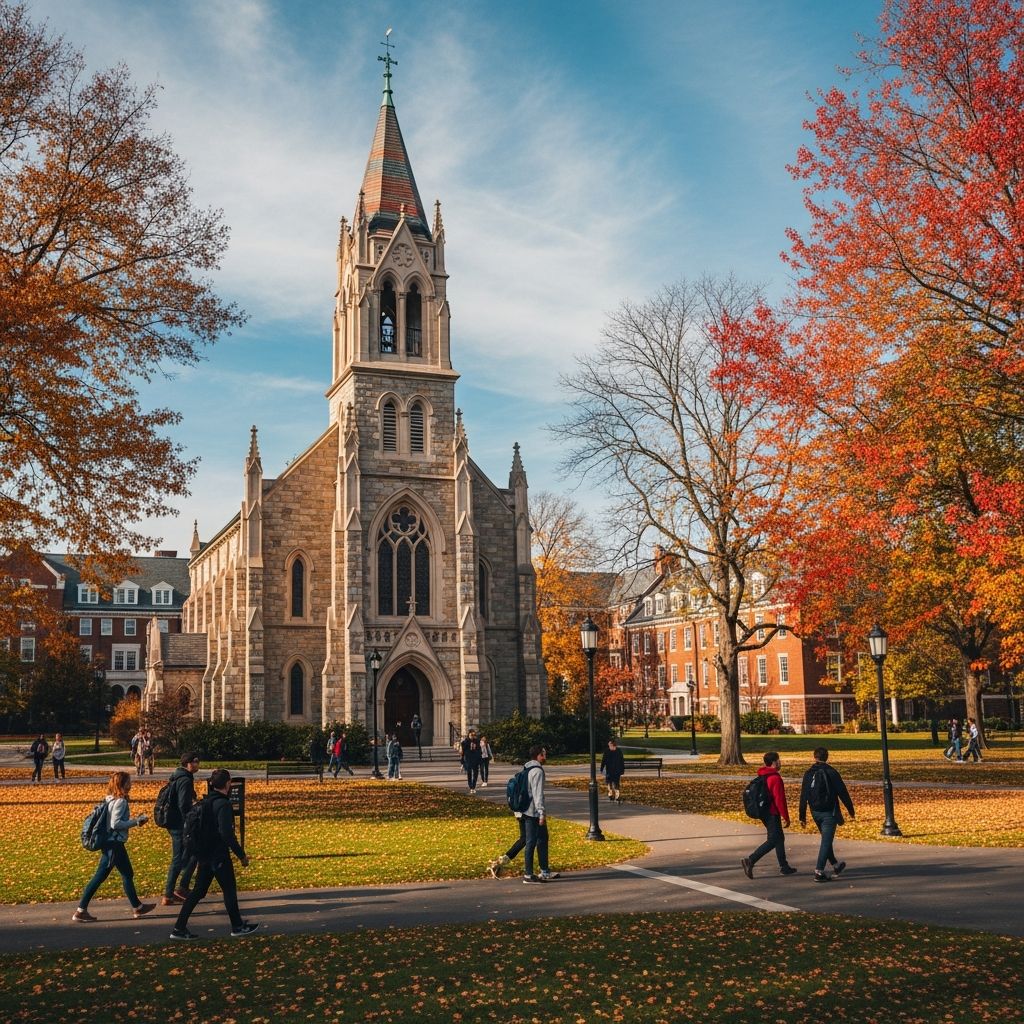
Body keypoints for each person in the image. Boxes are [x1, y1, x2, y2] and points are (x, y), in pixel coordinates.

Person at [170, 768, 258, 940]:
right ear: (228, 784)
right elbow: (226, 833)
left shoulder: (205, 802)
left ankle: (179, 927)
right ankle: (237, 926)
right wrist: (241, 855)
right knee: (229, 890)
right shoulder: (224, 805)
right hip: (218, 854)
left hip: (203, 854)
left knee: (198, 892)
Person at [72, 771, 156, 922]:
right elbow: (115, 824)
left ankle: (137, 907)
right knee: (100, 877)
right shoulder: (120, 802)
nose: (131, 784)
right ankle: (80, 911)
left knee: (128, 874)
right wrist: (136, 821)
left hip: (113, 843)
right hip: (114, 844)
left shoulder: (109, 800)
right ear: (122, 784)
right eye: (129, 782)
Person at [798, 747, 855, 882]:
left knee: (826, 840)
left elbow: (803, 795)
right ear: (827, 757)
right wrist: (850, 809)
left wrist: (802, 816)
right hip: (829, 812)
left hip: (814, 811)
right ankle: (819, 871)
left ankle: (836, 865)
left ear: (814, 757)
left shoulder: (808, 773)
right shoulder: (831, 772)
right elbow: (843, 792)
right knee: (826, 841)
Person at [741, 751, 797, 879]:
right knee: (773, 840)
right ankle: (750, 860)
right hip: (772, 812)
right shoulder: (775, 778)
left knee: (779, 837)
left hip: (763, 812)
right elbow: (779, 800)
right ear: (774, 762)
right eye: (779, 760)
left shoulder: (763, 775)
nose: (780, 763)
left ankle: (784, 866)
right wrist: (786, 817)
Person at [162, 752, 201, 906]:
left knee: (193, 853)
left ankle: (182, 887)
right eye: (196, 761)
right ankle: (169, 894)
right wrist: (191, 818)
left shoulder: (179, 777)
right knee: (178, 858)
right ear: (188, 764)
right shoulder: (184, 780)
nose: (198, 764)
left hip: (175, 823)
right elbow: (183, 805)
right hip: (179, 824)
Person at [521, 745, 559, 884]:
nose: (545, 756)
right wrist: (541, 812)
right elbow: (537, 794)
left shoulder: (527, 768)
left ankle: (544, 871)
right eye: (544, 754)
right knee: (531, 841)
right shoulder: (537, 771)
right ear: (538, 755)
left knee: (543, 839)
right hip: (533, 812)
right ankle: (528, 874)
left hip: (529, 810)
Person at [600, 738, 625, 802]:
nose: (609, 746)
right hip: (609, 770)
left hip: (617, 771)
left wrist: (622, 770)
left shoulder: (619, 751)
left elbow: (622, 761)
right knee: (609, 783)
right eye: (609, 745)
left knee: (616, 784)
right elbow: (603, 761)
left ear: (613, 745)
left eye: (610, 745)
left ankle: (617, 796)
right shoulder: (607, 751)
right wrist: (601, 768)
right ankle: (610, 794)